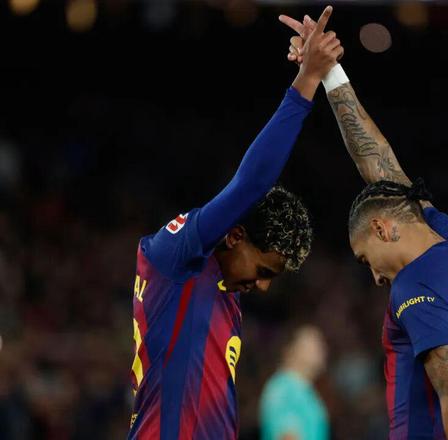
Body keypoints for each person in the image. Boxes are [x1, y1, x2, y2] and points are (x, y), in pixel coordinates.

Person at [280, 13, 448, 440]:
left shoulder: (416, 285)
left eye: (366, 259)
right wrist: (329, 73)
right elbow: (379, 164)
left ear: (383, 229)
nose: (376, 277)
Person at [127, 7, 343, 439]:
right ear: (236, 234)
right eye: (263, 270)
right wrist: (308, 81)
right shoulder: (177, 257)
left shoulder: (222, 289)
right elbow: (253, 183)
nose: (261, 286)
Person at [259, 326, 329, 440]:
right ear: (290, 350)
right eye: (313, 345)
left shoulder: (305, 390)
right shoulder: (283, 389)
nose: (322, 350)